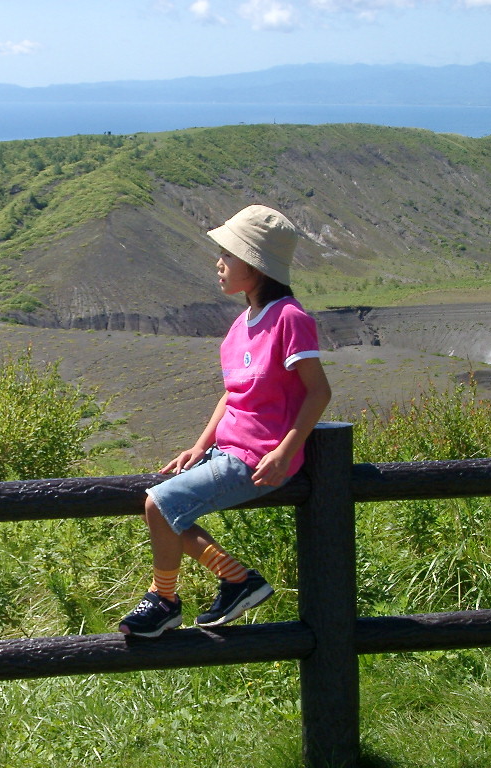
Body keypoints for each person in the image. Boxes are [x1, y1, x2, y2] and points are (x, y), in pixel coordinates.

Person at [119, 205, 331, 637]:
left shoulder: (289, 318)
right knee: (166, 509)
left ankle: (165, 599)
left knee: (158, 504)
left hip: (256, 457)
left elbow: (319, 391)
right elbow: (234, 394)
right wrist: (199, 446)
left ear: (254, 266)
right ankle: (237, 580)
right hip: (228, 449)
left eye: (228, 255)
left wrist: (284, 452)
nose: (219, 264)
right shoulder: (242, 324)